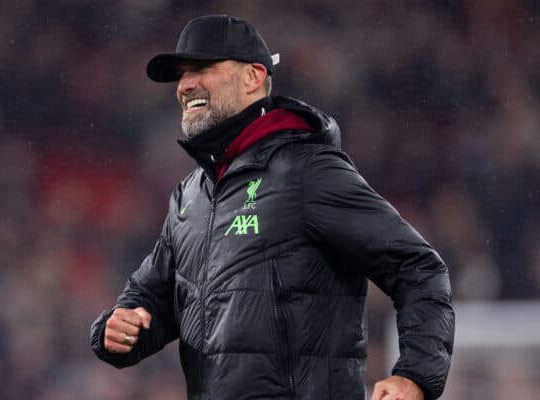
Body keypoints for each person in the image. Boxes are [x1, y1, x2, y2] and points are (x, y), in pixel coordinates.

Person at [90, 14, 455, 400]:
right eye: (181, 74)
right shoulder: (189, 197)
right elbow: (149, 300)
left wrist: (415, 375)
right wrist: (117, 330)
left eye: (201, 68)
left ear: (252, 77)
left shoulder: (307, 171)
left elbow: (418, 267)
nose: (185, 85)